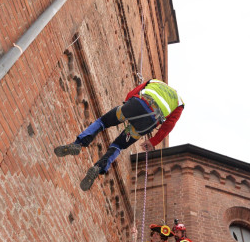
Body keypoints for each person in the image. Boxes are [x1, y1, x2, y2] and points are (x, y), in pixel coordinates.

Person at [54, 79, 184, 191]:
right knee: (118, 145)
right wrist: (153, 141)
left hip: (136, 105)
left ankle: (78, 144)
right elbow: (169, 125)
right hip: (148, 122)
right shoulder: (179, 102)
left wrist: (127, 106)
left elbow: (133, 92)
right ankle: (98, 168)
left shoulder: (155, 81)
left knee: (103, 122)